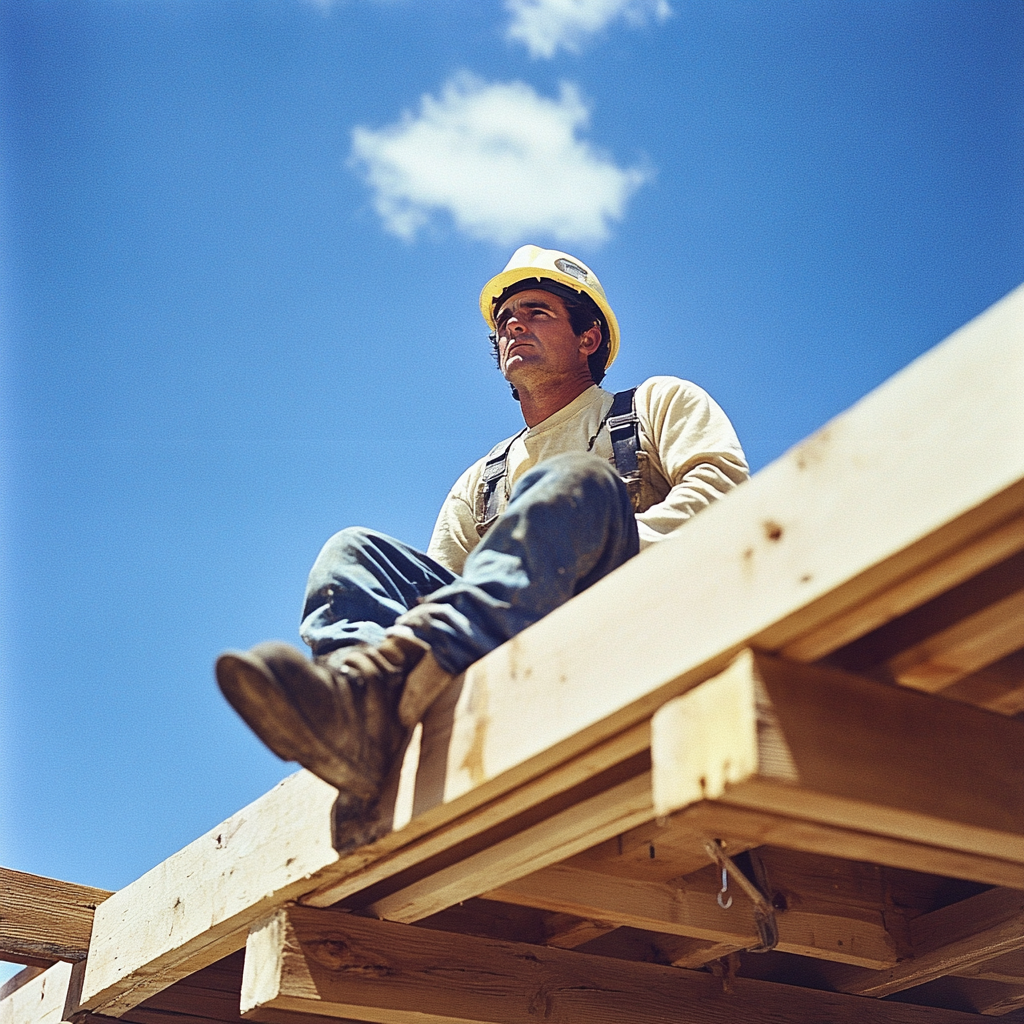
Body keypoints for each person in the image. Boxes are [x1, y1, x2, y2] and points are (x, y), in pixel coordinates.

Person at [215, 245, 749, 821]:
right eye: (504, 321)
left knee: (576, 484)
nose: (513, 325)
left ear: (588, 337)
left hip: (631, 618)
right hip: (512, 652)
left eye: (536, 311)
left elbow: (721, 497)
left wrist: (579, 548)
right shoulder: (482, 482)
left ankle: (383, 685)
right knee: (352, 552)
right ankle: (359, 716)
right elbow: (439, 587)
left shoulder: (654, 405)